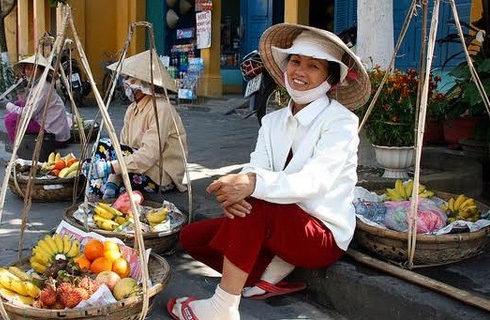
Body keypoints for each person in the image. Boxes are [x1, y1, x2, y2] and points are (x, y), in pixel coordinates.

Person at [166, 23, 371, 320]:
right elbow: (256, 165)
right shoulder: (273, 121)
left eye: (313, 66)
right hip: (275, 225)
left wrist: (250, 184)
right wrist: (238, 188)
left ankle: (222, 307)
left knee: (256, 201)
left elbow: (314, 181)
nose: (300, 72)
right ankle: (267, 274)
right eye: (295, 62)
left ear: (330, 77)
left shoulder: (341, 123)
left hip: (319, 234)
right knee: (191, 237)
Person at [83, 49, 188, 199]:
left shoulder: (161, 109)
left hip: (159, 175)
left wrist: (110, 167)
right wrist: (113, 180)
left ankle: (98, 198)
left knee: (106, 148)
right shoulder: (132, 109)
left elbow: (149, 155)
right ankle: (100, 198)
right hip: (137, 168)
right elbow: (122, 148)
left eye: (128, 78)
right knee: (97, 155)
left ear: (142, 83)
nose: (125, 83)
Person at [3, 54, 71, 147]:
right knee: (18, 104)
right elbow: (29, 104)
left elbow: (29, 114)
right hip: (48, 126)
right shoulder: (37, 85)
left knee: (10, 119)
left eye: (33, 69)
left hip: (53, 135)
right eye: (27, 68)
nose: (29, 72)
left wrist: (8, 106)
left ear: (42, 71)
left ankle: (19, 148)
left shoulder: (43, 87)